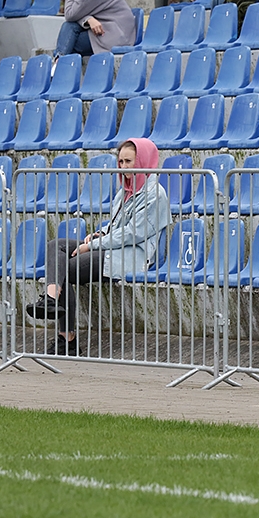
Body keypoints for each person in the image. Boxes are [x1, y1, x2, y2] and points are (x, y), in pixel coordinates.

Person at [25, 139, 172, 356]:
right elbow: (117, 226)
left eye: (129, 161)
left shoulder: (155, 193)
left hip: (133, 255)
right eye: (120, 161)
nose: (123, 166)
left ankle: (67, 338)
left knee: (65, 267)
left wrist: (94, 244)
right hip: (112, 247)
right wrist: (102, 233)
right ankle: (52, 300)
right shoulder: (125, 191)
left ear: (143, 160)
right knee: (57, 246)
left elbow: (133, 233)